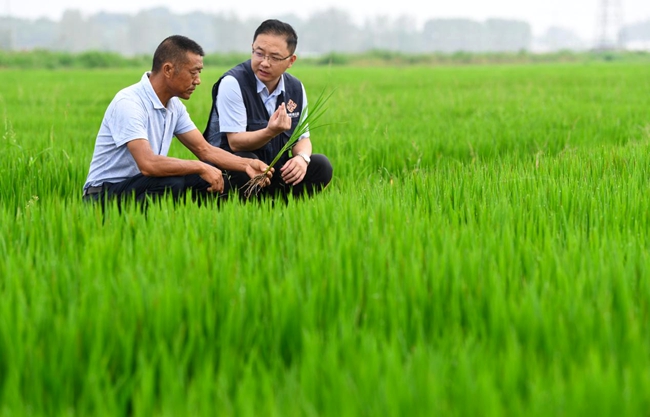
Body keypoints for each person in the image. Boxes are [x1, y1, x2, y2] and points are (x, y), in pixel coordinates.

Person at [82, 35, 271, 206]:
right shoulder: (129, 102)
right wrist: (199, 166)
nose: (198, 81)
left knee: (210, 180)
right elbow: (148, 164)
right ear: (168, 70)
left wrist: (246, 165)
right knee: (172, 181)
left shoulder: (174, 106)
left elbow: (204, 149)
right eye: (194, 72)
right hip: (102, 195)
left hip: (141, 186)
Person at [204, 19, 333, 199]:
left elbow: (302, 138)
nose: (264, 62)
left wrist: (302, 159)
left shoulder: (295, 88)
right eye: (259, 53)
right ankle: (252, 206)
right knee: (244, 158)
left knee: (321, 165)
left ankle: (282, 207)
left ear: (290, 60)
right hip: (238, 169)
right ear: (252, 48)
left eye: (274, 57)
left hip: (274, 171)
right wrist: (270, 131)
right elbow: (235, 142)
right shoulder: (233, 83)